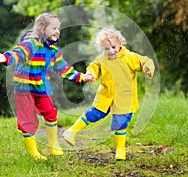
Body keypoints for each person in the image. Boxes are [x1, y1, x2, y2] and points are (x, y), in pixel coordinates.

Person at [0, 12, 92, 160]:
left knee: (50, 112)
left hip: (41, 87)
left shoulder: (54, 51)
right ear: (42, 29)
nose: (57, 31)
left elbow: (64, 69)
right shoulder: (31, 44)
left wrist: (81, 76)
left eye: (59, 28)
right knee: (28, 119)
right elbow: (18, 53)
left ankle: (53, 144)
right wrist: (5, 57)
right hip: (24, 88)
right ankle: (34, 153)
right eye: (54, 28)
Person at [62, 27, 155, 160]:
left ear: (120, 44)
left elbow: (145, 61)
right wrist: (90, 74)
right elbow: (94, 67)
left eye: (113, 47)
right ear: (102, 49)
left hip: (124, 97)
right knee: (95, 114)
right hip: (106, 95)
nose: (111, 51)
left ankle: (120, 149)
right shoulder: (101, 60)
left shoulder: (130, 57)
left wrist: (148, 68)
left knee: (120, 121)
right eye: (106, 49)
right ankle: (71, 131)